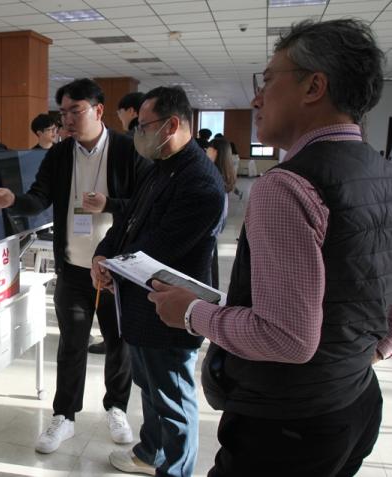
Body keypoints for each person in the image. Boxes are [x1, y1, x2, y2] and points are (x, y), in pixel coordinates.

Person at [149, 19, 392, 476]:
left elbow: (287, 338)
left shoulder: (288, 186)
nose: (257, 98)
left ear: (314, 86)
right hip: (356, 402)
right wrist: (367, 354)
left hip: (287, 425)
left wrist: (190, 312)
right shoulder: (380, 172)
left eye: (268, 80)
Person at [0, 78, 148, 454]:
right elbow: (39, 198)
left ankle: (116, 408)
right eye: (63, 112)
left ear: (98, 110)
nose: (67, 119)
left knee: (118, 342)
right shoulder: (58, 154)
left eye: (76, 110)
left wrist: (108, 204)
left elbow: (144, 204)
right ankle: (65, 416)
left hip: (116, 268)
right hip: (73, 268)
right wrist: (13, 200)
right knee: (72, 344)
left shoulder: (126, 149)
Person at [92, 86, 224, 476]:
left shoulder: (200, 181)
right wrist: (102, 254)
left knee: (173, 400)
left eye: (144, 126)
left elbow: (160, 247)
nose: (138, 134)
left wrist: (115, 266)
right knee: (149, 388)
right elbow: (129, 220)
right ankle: (150, 453)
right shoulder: (161, 166)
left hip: (170, 311)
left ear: (171, 125)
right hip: (140, 304)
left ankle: (175, 469)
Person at [89, 90, 147, 356]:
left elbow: (138, 205)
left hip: (128, 249)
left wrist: (109, 204)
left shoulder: (131, 147)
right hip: (113, 245)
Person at [206, 137, 236, 289]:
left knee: (207, 277)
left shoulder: (212, 176)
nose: (206, 151)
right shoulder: (225, 174)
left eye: (209, 148)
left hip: (209, 236)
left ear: (216, 152)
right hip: (214, 235)